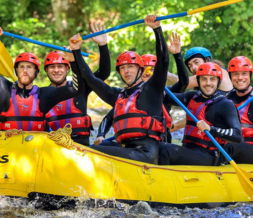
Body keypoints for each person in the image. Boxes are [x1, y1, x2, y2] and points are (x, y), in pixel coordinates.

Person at [69, 15, 169, 164]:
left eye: (130, 67)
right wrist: (77, 51)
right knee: (91, 148)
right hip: (126, 149)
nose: (126, 71)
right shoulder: (118, 96)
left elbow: (163, 60)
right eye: (122, 68)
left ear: (141, 70)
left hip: (145, 153)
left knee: (88, 152)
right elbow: (91, 79)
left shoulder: (152, 89)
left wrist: (157, 30)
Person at [0, 26, 83, 132]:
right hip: (7, 145)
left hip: (35, 147)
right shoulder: (3, 88)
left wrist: (73, 61)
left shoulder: (45, 94)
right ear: (16, 70)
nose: (25, 71)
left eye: (29, 67)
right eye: (21, 67)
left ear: (36, 72)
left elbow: (76, 89)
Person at [93, 32, 188, 145]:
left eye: (152, 69)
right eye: (145, 69)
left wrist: (177, 55)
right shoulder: (127, 97)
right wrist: (100, 135)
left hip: (160, 141)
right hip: (133, 143)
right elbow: (109, 117)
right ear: (139, 71)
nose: (147, 73)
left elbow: (183, 83)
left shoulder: (164, 92)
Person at [159, 62, 242, 166]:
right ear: (198, 81)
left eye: (212, 79)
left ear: (218, 81)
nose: (208, 83)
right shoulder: (192, 97)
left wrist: (211, 129)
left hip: (208, 155)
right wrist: (153, 82)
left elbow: (237, 136)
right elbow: (165, 97)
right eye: (204, 79)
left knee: (164, 148)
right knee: (158, 145)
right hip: (189, 150)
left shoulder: (226, 105)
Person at [44, 22, 110, 146]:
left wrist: (102, 45)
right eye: (52, 67)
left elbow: (104, 73)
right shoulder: (40, 94)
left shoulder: (81, 88)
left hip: (80, 148)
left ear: (67, 69)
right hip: (52, 148)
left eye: (60, 66)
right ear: (46, 70)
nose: (56, 70)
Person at [167, 46, 233, 91]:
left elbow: (183, 83)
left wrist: (164, 72)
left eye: (196, 62)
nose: (193, 67)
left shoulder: (216, 72)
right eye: (190, 66)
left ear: (207, 60)